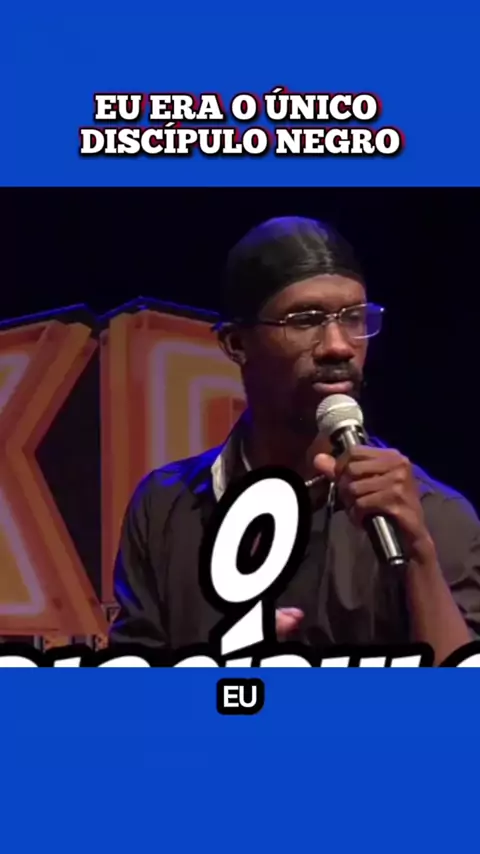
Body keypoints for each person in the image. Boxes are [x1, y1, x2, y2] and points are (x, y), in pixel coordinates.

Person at [109, 216, 480, 664]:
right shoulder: (165, 509)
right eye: (305, 320)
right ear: (236, 344)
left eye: (354, 318)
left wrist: (419, 557)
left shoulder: (432, 515)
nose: (339, 345)